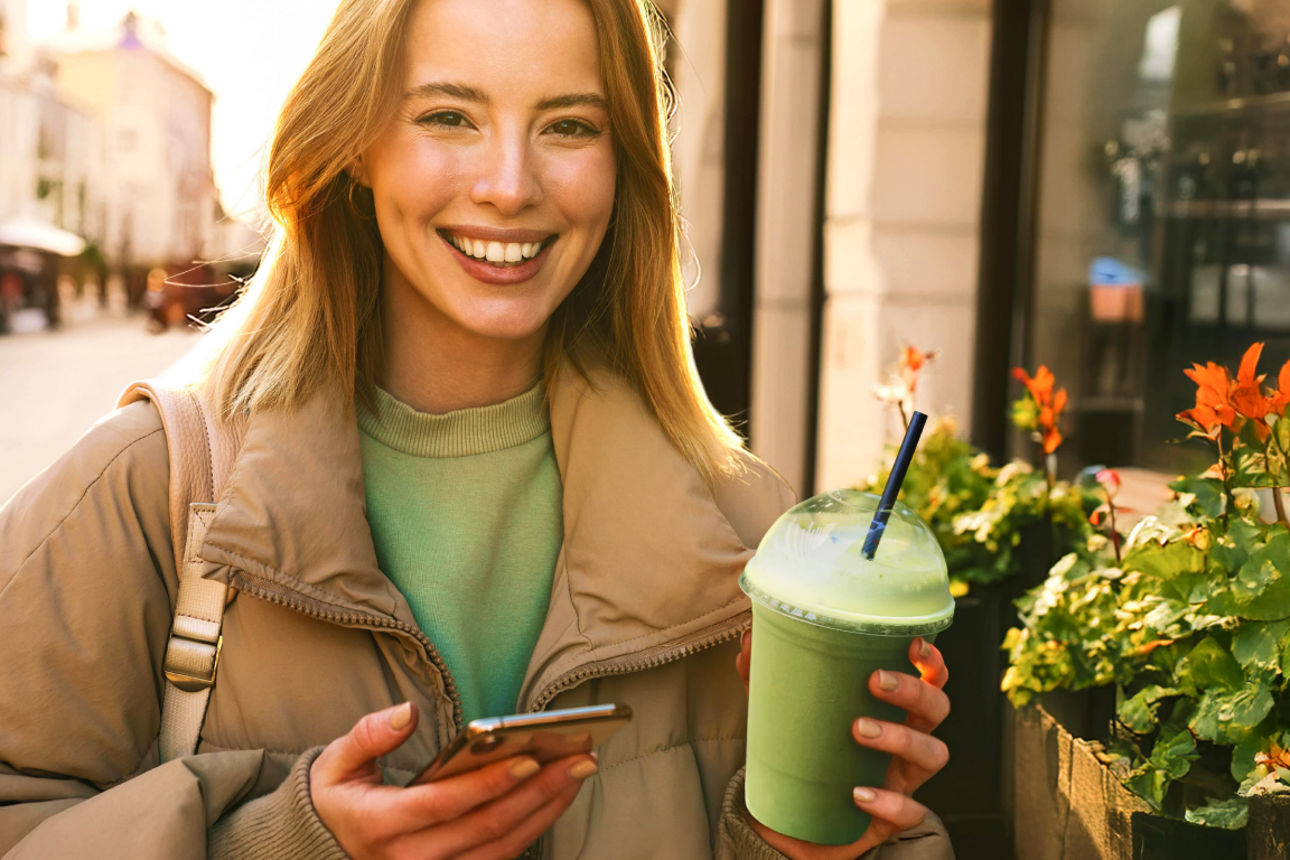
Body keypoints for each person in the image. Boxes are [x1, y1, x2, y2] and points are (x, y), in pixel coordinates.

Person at [0, 0, 953, 857]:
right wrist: (284, 845)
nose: (509, 183)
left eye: (569, 126)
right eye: (449, 116)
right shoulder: (147, 492)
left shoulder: (746, 531)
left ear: (624, 165)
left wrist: (804, 843)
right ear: (355, 147)